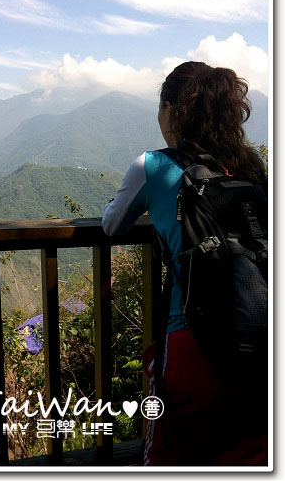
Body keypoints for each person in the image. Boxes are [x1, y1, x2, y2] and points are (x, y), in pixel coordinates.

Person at [102, 61, 267, 466]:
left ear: (173, 110)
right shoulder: (252, 168)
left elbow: (112, 225)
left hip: (192, 338)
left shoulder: (153, 165)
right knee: (250, 454)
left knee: (171, 457)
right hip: (263, 340)